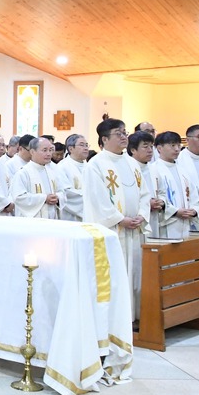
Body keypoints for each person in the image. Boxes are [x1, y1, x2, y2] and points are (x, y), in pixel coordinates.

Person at [83, 118, 150, 322]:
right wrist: (120, 219)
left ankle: (135, 316)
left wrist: (142, 214)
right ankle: (117, 321)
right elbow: (97, 199)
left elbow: (144, 193)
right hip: (114, 231)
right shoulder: (95, 165)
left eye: (124, 132)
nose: (123, 137)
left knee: (136, 275)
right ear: (104, 139)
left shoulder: (132, 163)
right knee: (116, 277)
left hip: (134, 230)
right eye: (118, 133)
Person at [150, 131, 197, 239]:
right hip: (167, 224)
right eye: (172, 145)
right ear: (159, 148)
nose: (177, 149)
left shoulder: (182, 170)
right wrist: (175, 211)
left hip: (186, 222)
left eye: (178, 145)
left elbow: (193, 193)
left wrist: (194, 210)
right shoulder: (154, 169)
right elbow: (157, 197)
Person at [9, 136, 64, 219]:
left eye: (50, 150)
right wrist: (44, 198)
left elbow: (62, 192)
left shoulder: (52, 171)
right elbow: (19, 197)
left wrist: (58, 198)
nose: (49, 154)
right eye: (44, 150)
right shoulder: (23, 173)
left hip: (52, 220)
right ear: (32, 152)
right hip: (32, 222)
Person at [127, 131, 160, 234]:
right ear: (133, 150)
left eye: (151, 146)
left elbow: (162, 191)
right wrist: (147, 204)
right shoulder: (128, 168)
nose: (150, 150)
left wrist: (161, 202)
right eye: (145, 147)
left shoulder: (154, 168)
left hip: (154, 217)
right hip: (136, 219)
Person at [56, 134, 88, 221]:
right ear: (71, 148)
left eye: (86, 145)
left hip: (91, 216)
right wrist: (91, 197)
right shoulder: (62, 167)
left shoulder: (90, 166)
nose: (86, 148)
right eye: (82, 145)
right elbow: (66, 193)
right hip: (71, 217)